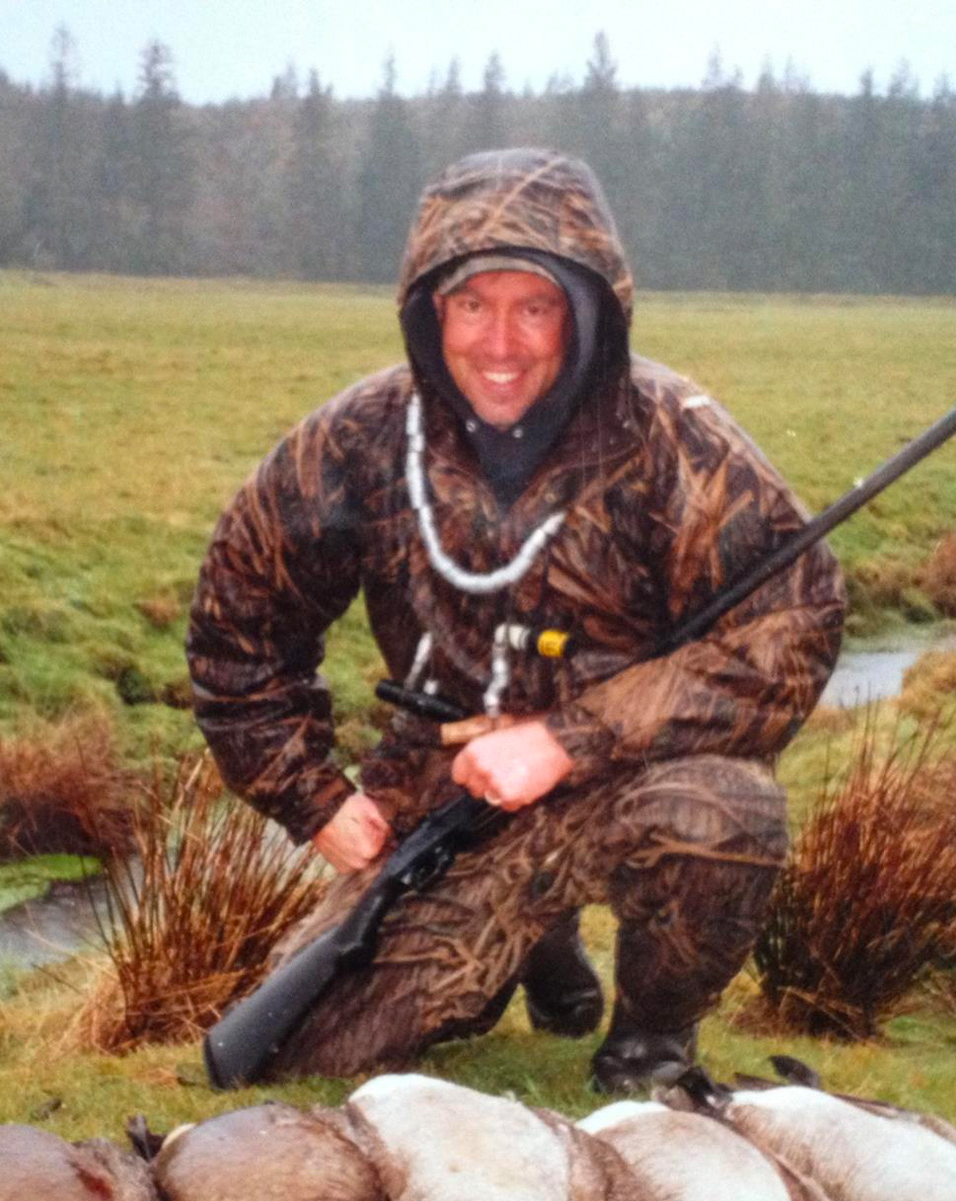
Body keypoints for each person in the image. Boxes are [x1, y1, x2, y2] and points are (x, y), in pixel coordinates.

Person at [186, 148, 844, 1091]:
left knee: (722, 813)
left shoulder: (672, 433)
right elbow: (236, 632)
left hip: (625, 780)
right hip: (441, 808)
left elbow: (797, 622)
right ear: (429, 312)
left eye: (533, 306)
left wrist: (566, 741)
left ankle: (649, 1047)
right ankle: (537, 948)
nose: (500, 344)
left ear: (585, 312)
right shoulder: (359, 438)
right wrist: (315, 800)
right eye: (471, 306)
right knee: (299, 1057)